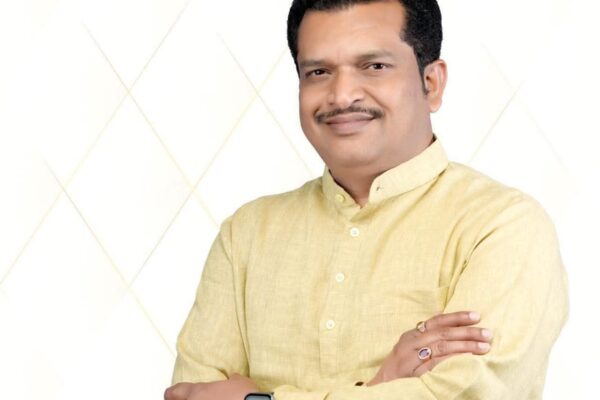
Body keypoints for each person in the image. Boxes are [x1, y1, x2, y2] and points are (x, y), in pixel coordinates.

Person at [164, 0, 568, 399]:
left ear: (431, 83)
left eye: (374, 66)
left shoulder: (501, 226)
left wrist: (260, 399)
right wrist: (379, 387)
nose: (341, 95)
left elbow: (467, 396)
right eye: (318, 72)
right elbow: (190, 395)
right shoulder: (247, 234)